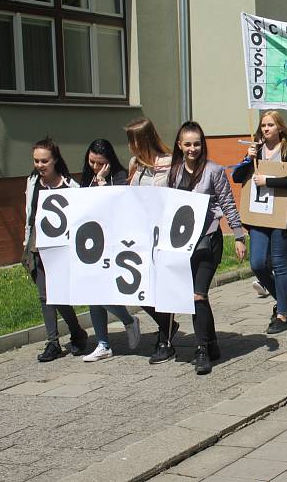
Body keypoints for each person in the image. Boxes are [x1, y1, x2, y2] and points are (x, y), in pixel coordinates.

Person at [168, 121, 247, 374]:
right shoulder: (175, 172)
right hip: (184, 244)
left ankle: (201, 351)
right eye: (188, 144)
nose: (193, 148)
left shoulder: (213, 171)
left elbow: (227, 202)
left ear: (203, 145)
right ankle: (212, 344)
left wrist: (237, 235)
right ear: (180, 146)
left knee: (197, 295)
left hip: (208, 242)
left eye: (197, 143)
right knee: (198, 297)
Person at [232, 111, 287, 334]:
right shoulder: (257, 151)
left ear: (280, 127)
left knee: (279, 263)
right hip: (260, 215)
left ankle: (281, 313)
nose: (266, 129)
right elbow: (237, 177)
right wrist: (247, 157)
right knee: (258, 264)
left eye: (270, 125)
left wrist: (268, 180)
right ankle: (281, 297)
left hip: (282, 215)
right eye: (263, 125)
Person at [23, 138, 89, 362]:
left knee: (58, 294)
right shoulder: (32, 182)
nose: (40, 165)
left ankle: (77, 332)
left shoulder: (70, 186)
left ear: (55, 160)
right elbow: (29, 214)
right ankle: (53, 342)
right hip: (38, 244)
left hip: (62, 247)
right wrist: (26, 243)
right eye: (36, 161)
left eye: (44, 161)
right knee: (44, 295)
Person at [79, 139, 141, 362]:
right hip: (92, 243)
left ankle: (128, 320)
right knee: (93, 294)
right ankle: (103, 344)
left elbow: (120, 207)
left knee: (103, 293)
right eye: (92, 162)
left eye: (100, 163)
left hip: (114, 243)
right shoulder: (86, 179)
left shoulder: (120, 177)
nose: (95, 167)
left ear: (109, 162)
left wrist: (103, 183)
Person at [125, 117, 179, 364]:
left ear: (144, 140)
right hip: (139, 234)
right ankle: (166, 323)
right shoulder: (135, 164)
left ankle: (165, 340)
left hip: (162, 234)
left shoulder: (167, 163)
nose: (130, 146)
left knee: (161, 289)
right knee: (137, 290)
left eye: (133, 141)